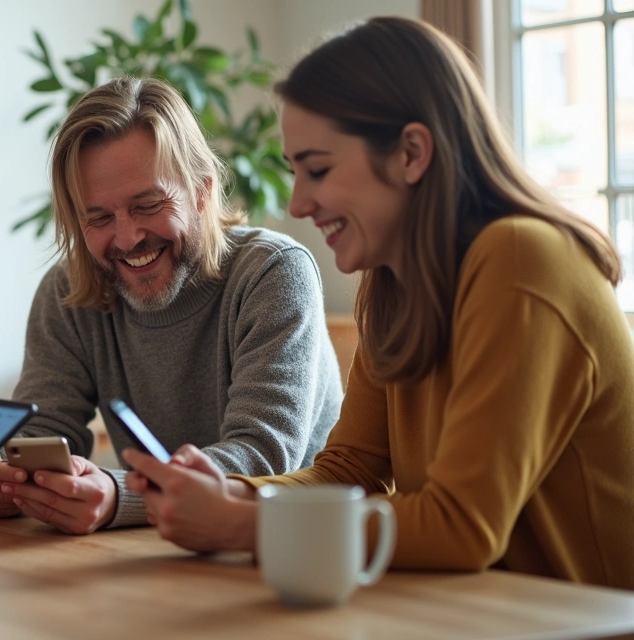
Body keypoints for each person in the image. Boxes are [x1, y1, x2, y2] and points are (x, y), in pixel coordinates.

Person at [124, 16, 634, 590]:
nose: (297, 204)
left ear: (412, 152)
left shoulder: (522, 258)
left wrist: (244, 523)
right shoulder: (396, 283)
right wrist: (231, 493)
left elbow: (462, 526)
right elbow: (350, 470)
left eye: (317, 169)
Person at [0, 76, 343, 534]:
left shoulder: (273, 273)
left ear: (202, 193)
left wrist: (121, 496)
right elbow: (42, 433)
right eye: (99, 218)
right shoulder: (68, 292)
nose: (128, 238)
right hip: (167, 548)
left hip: (294, 539)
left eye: (148, 204)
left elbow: (261, 457)